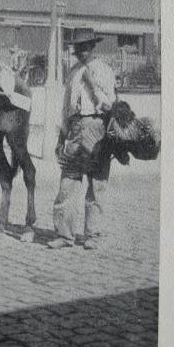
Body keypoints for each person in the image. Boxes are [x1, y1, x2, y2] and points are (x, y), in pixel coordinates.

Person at [48, 27, 116, 251]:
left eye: (85, 47)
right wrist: (62, 136)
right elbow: (66, 107)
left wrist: (93, 86)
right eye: (78, 47)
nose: (81, 51)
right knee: (68, 181)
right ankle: (65, 234)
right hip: (76, 129)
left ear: (93, 47)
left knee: (97, 184)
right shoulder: (73, 72)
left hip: (97, 128)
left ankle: (92, 235)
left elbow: (110, 105)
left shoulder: (104, 70)